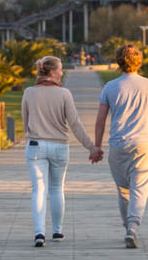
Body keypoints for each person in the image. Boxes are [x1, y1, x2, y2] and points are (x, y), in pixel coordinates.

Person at [89, 44, 148, 248]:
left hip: (118, 145)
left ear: (118, 62)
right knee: (140, 188)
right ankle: (132, 227)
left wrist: (97, 147)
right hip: (144, 145)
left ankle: (128, 227)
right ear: (139, 62)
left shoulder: (110, 87)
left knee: (124, 190)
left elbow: (100, 121)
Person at [21, 55, 95, 247]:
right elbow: (75, 124)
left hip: (35, 145)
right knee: (56, 189)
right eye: (60, 70)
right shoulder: (64, 94)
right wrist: (91, 147)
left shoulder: (29, 92)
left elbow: (25, 123)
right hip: (60, 146)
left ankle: (39, 233)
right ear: (52, 72)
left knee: (39, 189)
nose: (62, 73)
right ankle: (57, 231)